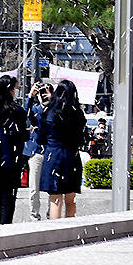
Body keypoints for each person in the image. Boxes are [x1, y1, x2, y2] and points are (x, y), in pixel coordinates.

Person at [39, 79, 87, 219]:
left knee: (55, 199)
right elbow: (81, 137)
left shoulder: (49, 112)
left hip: (53, 155)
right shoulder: (77, 113)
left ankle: (55, 233)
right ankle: (70, 232)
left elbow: (40, 138)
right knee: (70, 199)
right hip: (72, 155)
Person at [0, 75, 28, 225]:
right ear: (9, 90)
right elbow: (22, 134)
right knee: (8, 199)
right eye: (14, 89)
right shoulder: (16, 111)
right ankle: (5, 229)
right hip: (10, 159)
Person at [23, 81, 53, 221]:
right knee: (34, 188)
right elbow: (24, 114)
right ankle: (34, 216)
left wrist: (52, 100)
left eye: (46, 92)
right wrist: (31, 95)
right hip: (36, 151)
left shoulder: (55, 109)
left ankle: (51, 214)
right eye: (42, 93)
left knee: (52, 187)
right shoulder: (34, 109)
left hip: (51, 152)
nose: (44, 96)